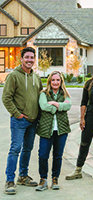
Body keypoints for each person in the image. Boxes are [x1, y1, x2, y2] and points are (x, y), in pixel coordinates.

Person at [2, 47, 42, 195]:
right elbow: (6, 97)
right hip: (19, 121)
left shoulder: (36, 77)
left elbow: (40, 97)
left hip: (33, 121)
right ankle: (9, 180)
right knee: (15, 149)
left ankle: (23, 176)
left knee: (27, 149)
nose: (30, 60)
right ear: (22, 59)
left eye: (32, 58)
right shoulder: (14, 76)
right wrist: (17, 114)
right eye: (27, 57)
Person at [35, 71, 71, 191]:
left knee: (57, 156)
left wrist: (55, 103)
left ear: (61, 82)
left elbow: (68, 106)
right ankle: (43, 179)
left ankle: (55, 178)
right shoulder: (43, 94)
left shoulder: (65, 94)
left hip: (61, 130)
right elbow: (43, 106)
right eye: (53, 80)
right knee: (43, 155)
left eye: (58, 80)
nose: (55, 82)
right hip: (46, 129)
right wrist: (60, 106)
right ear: (49, 81)